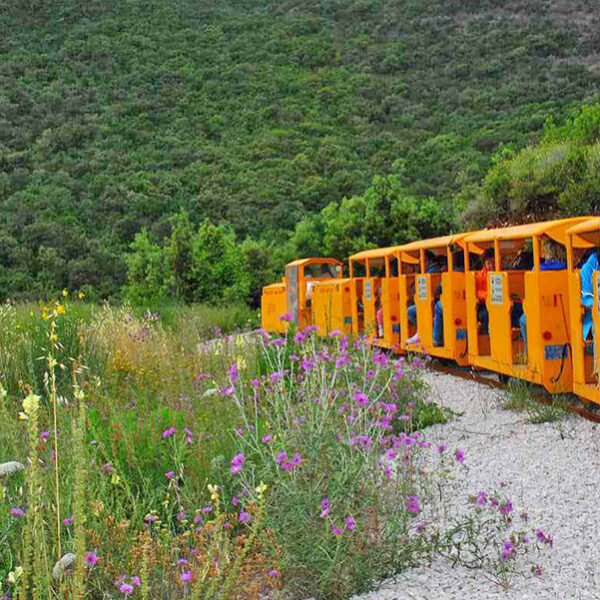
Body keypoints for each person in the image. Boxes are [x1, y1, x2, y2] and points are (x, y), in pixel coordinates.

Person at [519, 237, 567, 354]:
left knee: (523, 320)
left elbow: (530, 294)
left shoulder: (537, 269)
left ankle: (528, 354)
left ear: (547, 252)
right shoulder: (566, 267)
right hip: (563, 311)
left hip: (541, 310)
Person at [475, 248, 495, 335]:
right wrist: (486, 295)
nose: (492, 266)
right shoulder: (479, 277)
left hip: (501, 305)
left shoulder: (502, 274)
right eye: (489, 263)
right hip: (484, 306)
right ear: (484, 265)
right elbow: (477, 292)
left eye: (494, 263)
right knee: (486, 315)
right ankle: (487, 338)